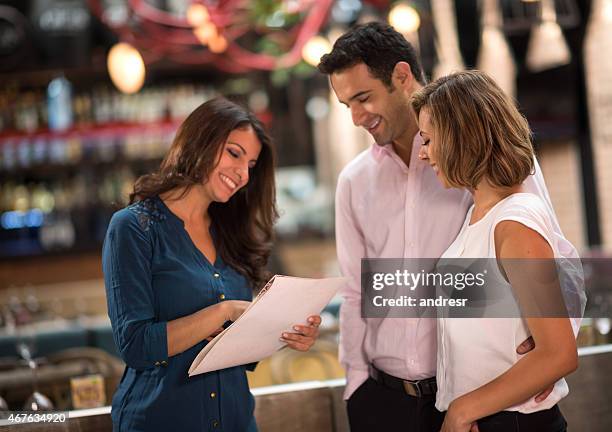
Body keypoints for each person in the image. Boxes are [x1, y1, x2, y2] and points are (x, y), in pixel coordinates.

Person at [317, 22, 580, 432]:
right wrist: (356, 386)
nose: (355, 117)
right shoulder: (354, 180)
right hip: (386, 398)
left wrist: (541, 356)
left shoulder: (492, 178)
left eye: (363, 97)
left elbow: (553, 257)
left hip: (475, 399)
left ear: (401, 77)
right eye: (345, 103)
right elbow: (357, 292)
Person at [102, 97, 321, 432]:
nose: (242, 173)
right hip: (159, 421)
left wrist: (285, 332)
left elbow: (241, 351)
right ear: (199, 140)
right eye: (234, 153)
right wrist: (224, 312)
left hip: (237, 421)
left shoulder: (233, 234)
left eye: (250, 165)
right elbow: (136, 346)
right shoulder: (133, 228)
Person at [412, 70, 577, 432]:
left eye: (428, 140)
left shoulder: (514, 223)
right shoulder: (480, 213)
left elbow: (558, 353)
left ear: (462, 138)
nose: (423, 155)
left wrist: (461, 411)